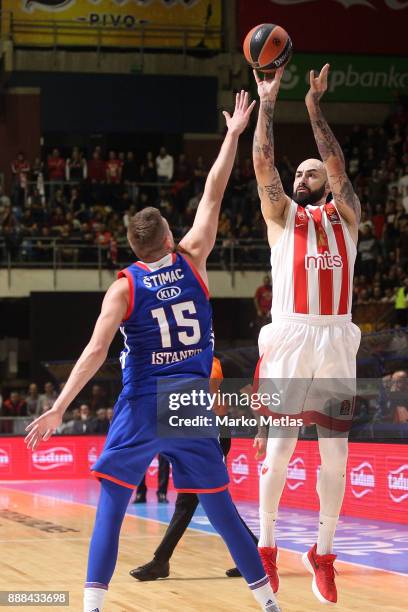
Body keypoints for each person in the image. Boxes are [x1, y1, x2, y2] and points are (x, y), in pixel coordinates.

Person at [25, 91, 281, 612]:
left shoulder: (123, 288)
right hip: (189, 402)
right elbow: (213, 192)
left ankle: (92, 607)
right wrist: (231, 135)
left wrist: (60, 405)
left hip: (143, 400)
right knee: (223, 510)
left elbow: (96, 351)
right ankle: (270, 606)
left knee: (112, 508)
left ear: (134, 248)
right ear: (169, 236)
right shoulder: (194, 257)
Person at [252, 65, 361, 605]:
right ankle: (267, 547)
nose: (302, 177)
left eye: (311, 172)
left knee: (336, 459)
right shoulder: (281, 217)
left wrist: (314, 107)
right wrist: (267, 102)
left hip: (336, 338)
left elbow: (337, 162)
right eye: (298, 174)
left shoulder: (347, 217)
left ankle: (323, 552)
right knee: (279, 452)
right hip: (293, 337)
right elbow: (263, 163)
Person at [130, 357, 258, 581]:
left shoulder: (224, 363)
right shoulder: (181, 362)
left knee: (193, 501)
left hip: (215, 432)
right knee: (193, 501)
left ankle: (161, 561)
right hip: (188, 432)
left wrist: (262, 429)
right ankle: (255, 553)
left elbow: (250, 395)